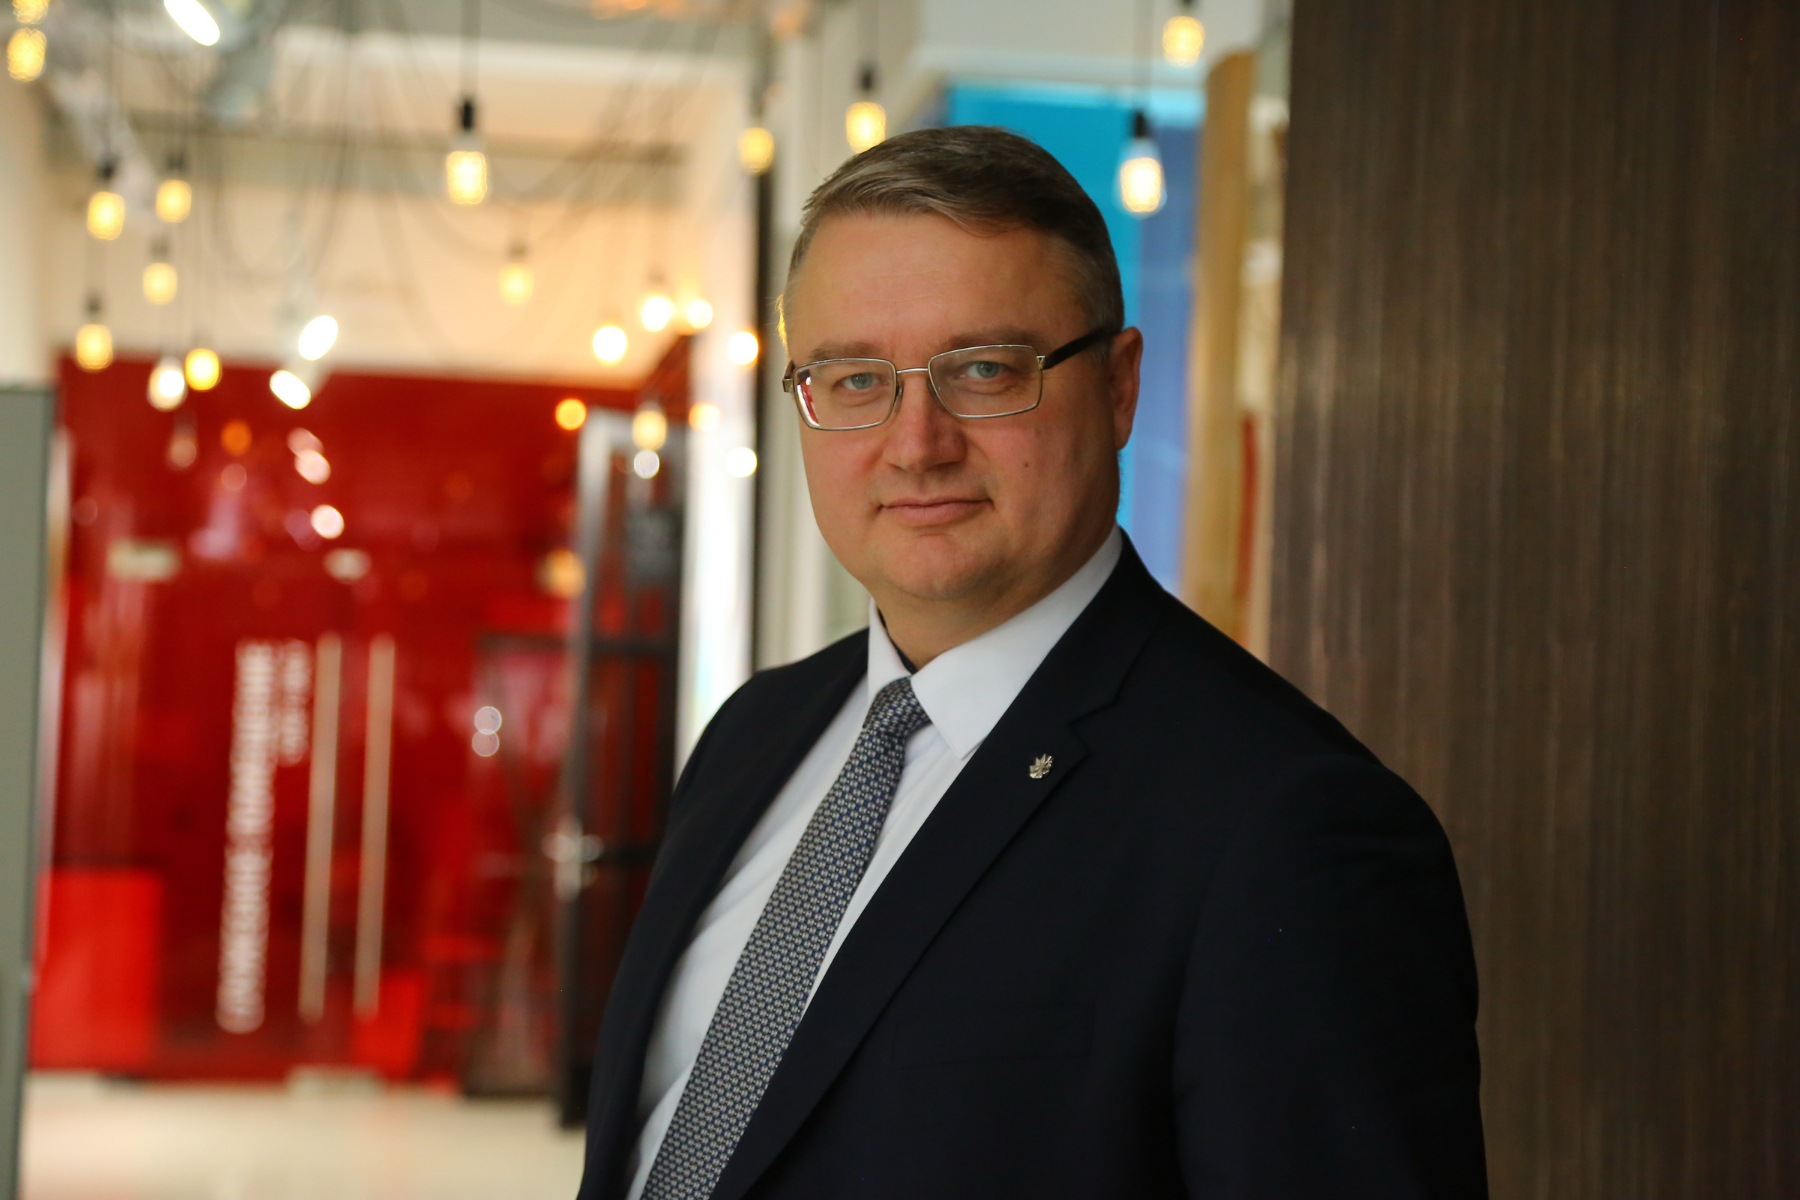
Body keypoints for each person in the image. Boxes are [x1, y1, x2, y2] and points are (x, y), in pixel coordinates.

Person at [576, 125, 1487, 1200]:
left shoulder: (1287, 824)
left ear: (1120, 387)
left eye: (984, 370)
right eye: (856, 378)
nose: (917, 444)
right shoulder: (753, 733)